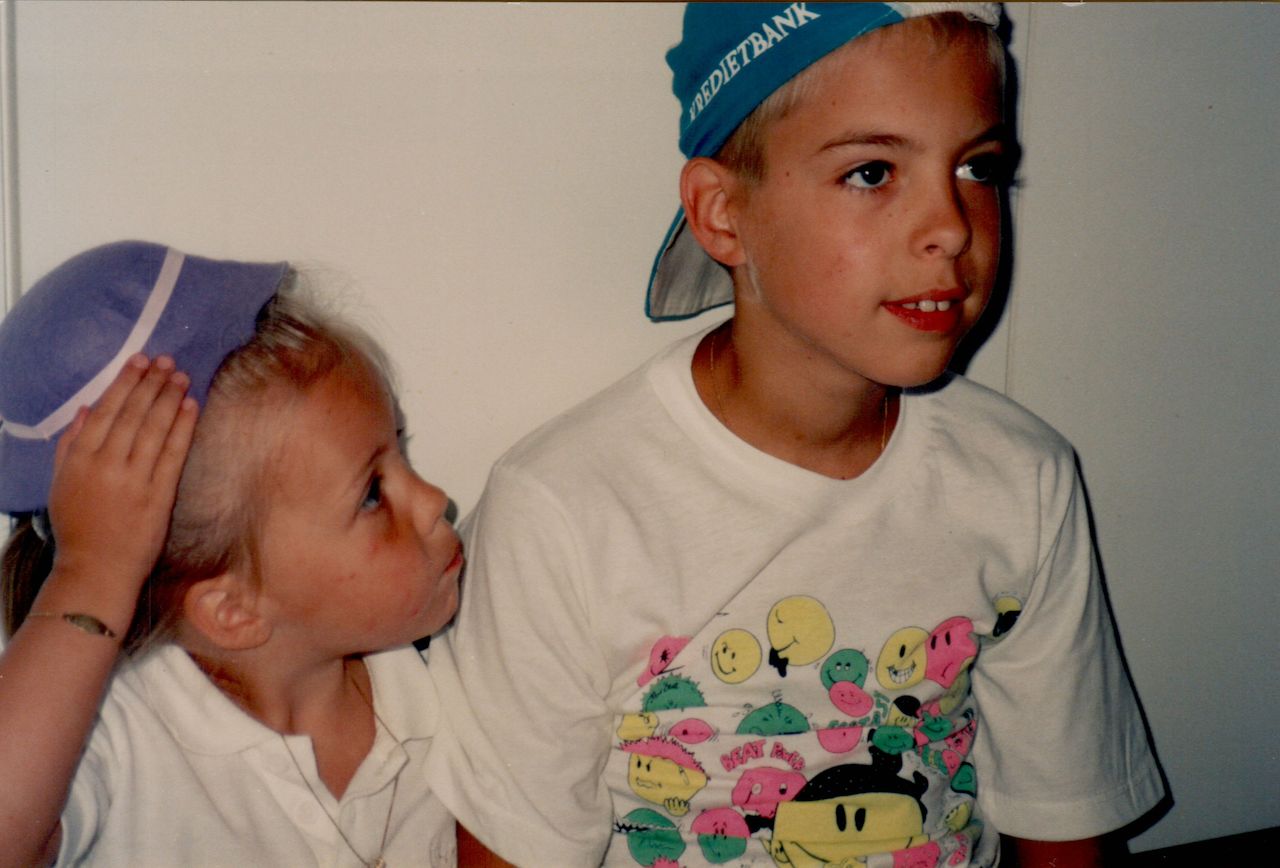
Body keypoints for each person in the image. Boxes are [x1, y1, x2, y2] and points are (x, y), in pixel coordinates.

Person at [429, 3, 1165, 867]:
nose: (951, 227)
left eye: (978, 167)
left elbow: (1064, 818)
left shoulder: (1021, 478)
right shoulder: (563, 511)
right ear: (723, 215)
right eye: (872, 172)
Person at [0, 241, 463, 867]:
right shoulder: (115, 738)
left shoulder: (452, 682)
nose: (436, 502)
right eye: (373, 494)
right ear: (233, 610)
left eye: (399, 448)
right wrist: (91, 574)